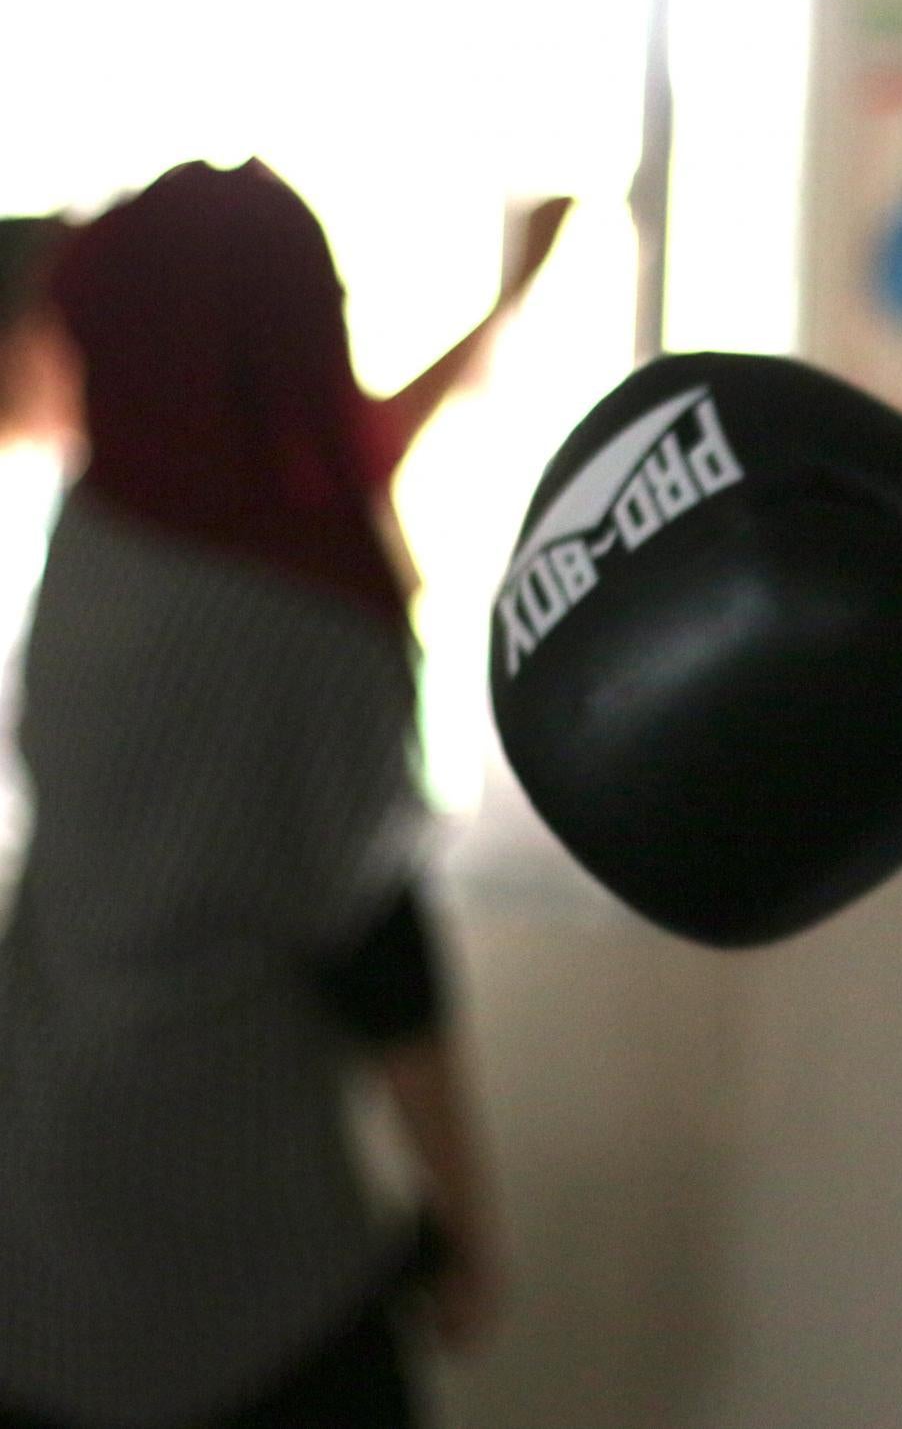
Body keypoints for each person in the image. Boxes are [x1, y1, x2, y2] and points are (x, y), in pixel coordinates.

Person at [0, 160, 547, 1429]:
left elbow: (345, 460)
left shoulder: (88, 550)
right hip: (236, 1235)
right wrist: (465, 1217)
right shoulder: (318, 619)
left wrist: (508, 298)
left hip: (38, 1191)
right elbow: (373, 950)